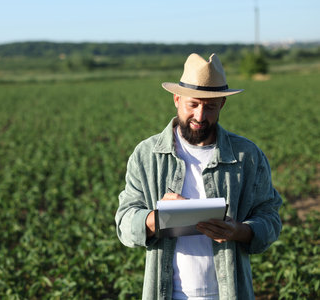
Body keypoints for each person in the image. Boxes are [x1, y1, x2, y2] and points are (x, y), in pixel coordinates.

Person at [115, 53, 282, 299]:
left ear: (222, 104)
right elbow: (124, 223)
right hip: (167, 293)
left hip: (228, 292)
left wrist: (238, 231)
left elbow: (270, 220)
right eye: (193, 104)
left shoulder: (247, 156)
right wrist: (156, 218)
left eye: (210, 106)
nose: (200, 116)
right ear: (176, 99)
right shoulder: (147, 155)